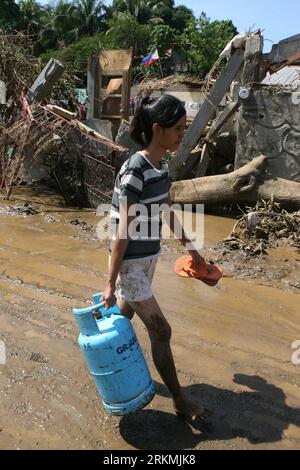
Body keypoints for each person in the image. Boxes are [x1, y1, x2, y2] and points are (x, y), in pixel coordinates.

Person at [102, 95, 211, 424]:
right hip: (131, 264)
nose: (182, 135)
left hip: (149, 258)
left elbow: (164, 209)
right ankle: (180, 400)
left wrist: (192, 250)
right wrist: (109, 282)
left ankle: (106, 361)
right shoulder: (136, 168)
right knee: (161, 331)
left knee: (123, 315)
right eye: (177, 129)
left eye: (184, 128)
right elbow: (123, 228)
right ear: (157, 129)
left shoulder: (161, 166)